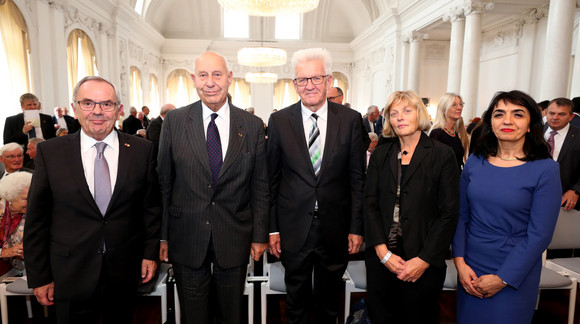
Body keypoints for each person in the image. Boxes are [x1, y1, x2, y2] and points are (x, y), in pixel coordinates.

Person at [24, 76, 161, 324]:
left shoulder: (142, 150)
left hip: (125, 269)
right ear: (75, 109)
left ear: (118, 110)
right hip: (69, 273)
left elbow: (150, 208)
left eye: (106, 104)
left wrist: (149, 253)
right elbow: (37, 220)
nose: (97, 111)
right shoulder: (51, 152)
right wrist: (40, 276)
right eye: (88, 103)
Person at [157, 51, 268, 324]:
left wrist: (259, 235)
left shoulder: (252, 125)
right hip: (186, 237)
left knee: (232, 314)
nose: (210, 82)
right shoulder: (175, 121)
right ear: (194, 80)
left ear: (229, 78)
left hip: (234, 236)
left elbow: (260, 185)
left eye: (217, 74)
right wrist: (161, 237)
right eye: (203, 75)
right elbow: (163, 183)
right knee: (194, 316)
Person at [267, 48, 365, 324]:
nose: (309, 85)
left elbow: (357, 179)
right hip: (293, 228)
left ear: (329, 80)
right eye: (302, 80)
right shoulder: (279, 121)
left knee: (329, 303)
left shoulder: (350, 120)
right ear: (295, 84)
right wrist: (272, 228)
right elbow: (271, 180)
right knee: (295, 303)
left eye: (316, 78)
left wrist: (356, 227)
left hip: (336, 228)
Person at [452, 90, 561, 324]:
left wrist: (503, 278)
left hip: (515, 268)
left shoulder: (546, 169)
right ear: (490, 122)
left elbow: (540, 234)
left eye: (518, 114)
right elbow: (460, 216)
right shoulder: (475, 162)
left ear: (531, 124)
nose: (508, 121)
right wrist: (459, 263)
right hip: (470, 266)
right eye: (499, 114)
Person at [364, 90, 459, 324]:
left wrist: (424, 259)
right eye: (394, 113)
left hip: (423, 259)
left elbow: (449, 214)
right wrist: (382, 252)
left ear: (420, 114)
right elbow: (369, 204)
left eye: (407, 111)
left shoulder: (442, 154)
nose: (400, 117)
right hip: (382, 259)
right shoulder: (381, 155)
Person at [545, 98, 580, 211]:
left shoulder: (578, 136)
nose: (555, 117)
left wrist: (576, 190)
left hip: (565, 200)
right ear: (546, 113)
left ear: (571, 117)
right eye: (552, 113)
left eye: (561, 114)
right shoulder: (533, 132)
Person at [3, 93, 56, 159]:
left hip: (46, 154)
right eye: (29, 105)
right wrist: (23, 132)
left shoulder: (47, 118)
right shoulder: (12, 120)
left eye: (34, 104)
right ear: (22, 106)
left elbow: (53, 138)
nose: (33, 107)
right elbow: (7, 142)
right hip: (24, 157)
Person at [0, 171, 31, 276]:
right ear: (10, 197)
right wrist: (5, 252)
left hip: (17, 272)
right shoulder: (1, 209)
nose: (31, 201)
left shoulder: (34, 214)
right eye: (25, 199)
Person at [429, 93, 469, 172]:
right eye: (454, 105)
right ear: (444, 110)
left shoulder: (454, 133)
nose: (459, 108)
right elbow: (433, 165)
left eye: (461, 104)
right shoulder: (437, 134)